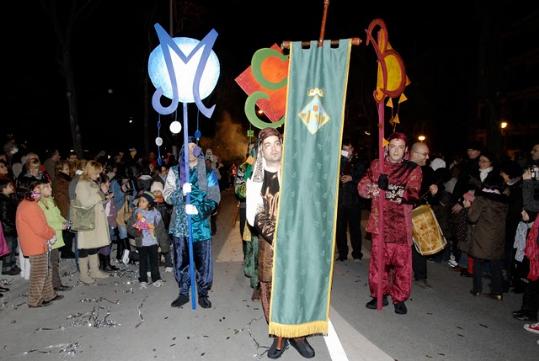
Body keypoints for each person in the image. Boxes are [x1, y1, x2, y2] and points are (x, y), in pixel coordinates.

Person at [246, 128, 315, 359]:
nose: (274, 148)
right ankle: (279, 337)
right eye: (268, 144)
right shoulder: (256, 180)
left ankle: (298, 335)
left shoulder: (296, 174)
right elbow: (253, 214)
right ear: (261, 150)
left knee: (297, 289)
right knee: (273, 290)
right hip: (271, 243)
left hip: (298, 243)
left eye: (277, 143)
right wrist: (279, 237)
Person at [358, 132, 422, 315]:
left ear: (406, 150)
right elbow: (362, 186)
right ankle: (379, 294)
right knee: (379, 263)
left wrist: (388, 189)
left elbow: (413, 194)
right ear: (387, 148)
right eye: (393, 146)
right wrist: (372, 189)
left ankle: (399, 298)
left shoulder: (413, 169)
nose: (396, 150)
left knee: (402, 265)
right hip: (380, 222)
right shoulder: (377, 165)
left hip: (401, 224)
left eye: (400, 147)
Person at [164, 139, 220, 309]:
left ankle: (203, 293)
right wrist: (181, 192)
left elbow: (214, 198)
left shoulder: (208, 172)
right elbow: (167, 196)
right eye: (186, 148)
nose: (190, 151)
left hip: (201, 225)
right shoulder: (175, 171)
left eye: (193, 148)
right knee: (181, 260)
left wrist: (200, 210)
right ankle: (183, 292)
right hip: (180, 226)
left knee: (203, 262)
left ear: (198, 151)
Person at [16, 180, 63, 307]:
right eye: (35, 190)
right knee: (39, 273)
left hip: (40, 243)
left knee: (45, 270)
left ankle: (48, 294)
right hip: (35, 245)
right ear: (28, 192)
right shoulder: (29, 206)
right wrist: (51, 233)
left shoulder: (31, 204)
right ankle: (34, 300)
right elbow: (40, 228)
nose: (38, 192)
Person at [465, 174, 508, 300]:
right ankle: (497, 292)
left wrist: (469, 207)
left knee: (478, 262)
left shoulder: (482, 198)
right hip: (498, 236)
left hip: (483, 235)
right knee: (496, 264)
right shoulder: (504, 200)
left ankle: (476, 289)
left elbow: (472, 218)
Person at [74, 161, 111, 284]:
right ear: (90, 171)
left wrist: (105, 198)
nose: (98, 175)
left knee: (93, 246)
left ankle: (94, 270)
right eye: (97, 173)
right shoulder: (82, 184)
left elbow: (97, 201)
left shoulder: (90, 182)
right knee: (85, 247)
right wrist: (101, 193)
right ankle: (84, 274)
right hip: (87, 220)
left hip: (94, 219)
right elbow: (85, 202)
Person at [127, 191, 167, 288]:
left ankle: (156, 278)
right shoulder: (136, 214)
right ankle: (143, 279)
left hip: (153, 242)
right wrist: (137, 231)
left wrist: (164, 245)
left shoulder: (156, 214)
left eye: (143, 201)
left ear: (149, 204)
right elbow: (129, 228)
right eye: (140, 201)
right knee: (143, 262)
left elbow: (161, 230)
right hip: (142, 242)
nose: (140, 203)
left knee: (154, 262)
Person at [38, 180, 72, 291]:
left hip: (56, 236)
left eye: (50, 187)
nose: (51, 189)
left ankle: (56, 284)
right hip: (49, 237)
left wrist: (65, 221)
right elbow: (45, 222)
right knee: (52, 262)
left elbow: (58, 215)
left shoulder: (50, 200)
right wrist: (59, 226)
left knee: (55, 261)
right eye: (47, 187)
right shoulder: (39, 204)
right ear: (40, 190)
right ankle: (53, 285)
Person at [336, 139, 365, 262]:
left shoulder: (359, 161)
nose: (346, 151)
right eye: (344, 149)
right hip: (340, 201)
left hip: (354, 201)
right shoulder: (338, 161)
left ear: (353, 149)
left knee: (355, 229)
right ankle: (342, 254)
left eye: (349, 149)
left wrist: (352, 178)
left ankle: (357, 254)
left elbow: (364, 178)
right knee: (340, 229)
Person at [52, 160, 76, 259]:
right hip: (65, 207)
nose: (68, 171)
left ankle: (65, 249)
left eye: (68, 168)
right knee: (67, 231)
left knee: (67, 231)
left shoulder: (64, 178)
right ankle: (66, 252)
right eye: (66, 169)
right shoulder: (60, 180)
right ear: (60, 169)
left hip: (65, 206)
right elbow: (63, 195)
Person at [0, 178, 20, 275]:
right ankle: (6, 267)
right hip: (7, 229)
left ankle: (12, 264)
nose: (12, 187)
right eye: (9, 186)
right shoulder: (3, 200)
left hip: (11, 228)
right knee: (9, 248)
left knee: (13, 246)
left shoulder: (9, 198)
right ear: (3, 188)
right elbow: (4, 217)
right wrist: (12, 225)